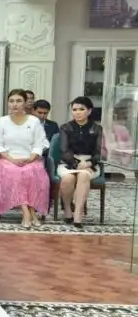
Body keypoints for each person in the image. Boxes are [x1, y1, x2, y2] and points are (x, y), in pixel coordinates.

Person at [0, 89, 50, 229]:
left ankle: (31, 212)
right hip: (8, 160)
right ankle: (27, 213)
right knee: (16, 173)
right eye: (11, 101)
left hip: (30, 158)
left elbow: (39, 143)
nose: (15, 104)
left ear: (25, 103)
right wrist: (12, 159)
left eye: (19, 101)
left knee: (32, 172)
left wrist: (31, 158)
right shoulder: (1, 122)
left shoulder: (34, 121)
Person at [57, 96, 104, 228]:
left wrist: (89, 163)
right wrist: (76, 164)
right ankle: (67, 210)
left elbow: (100, 152)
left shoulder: (97, 128)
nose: (77, 112)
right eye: (74, 109)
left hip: (90, 163)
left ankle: (78, 214)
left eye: (81, 109)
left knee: (83, 175)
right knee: (68, 179)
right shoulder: (65, 127)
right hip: (69, 162)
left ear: (89, 111)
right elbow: (64, 150)